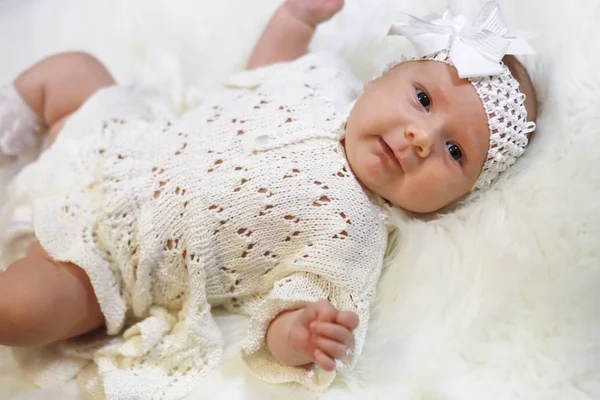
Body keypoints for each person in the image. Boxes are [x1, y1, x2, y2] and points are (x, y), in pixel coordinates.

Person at [0, 0, 537, 398]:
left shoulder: (353, 234)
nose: (422, 137)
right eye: (422, 99)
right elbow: (265, 74)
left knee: (18, 311)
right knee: (72, 70)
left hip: (116, 264)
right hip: (119, 139)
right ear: (379, 79)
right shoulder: (324, 79)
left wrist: (301, 335)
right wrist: (294, 22)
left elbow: (287, 308)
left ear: (456, 200)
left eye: (454, 151)